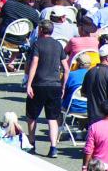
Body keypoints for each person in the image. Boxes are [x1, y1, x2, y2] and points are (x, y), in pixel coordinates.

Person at [26, 20, 65, 156]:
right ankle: (53, 147)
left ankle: (31, 143)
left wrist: (29, 83)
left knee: (32, 116)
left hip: (39, 84)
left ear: (41, 30)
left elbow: (34, 63)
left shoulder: (37, 44)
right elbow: (66, 68)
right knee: (52, 118)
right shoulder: (58, 44)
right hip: (55, 85)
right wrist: (63, 85)